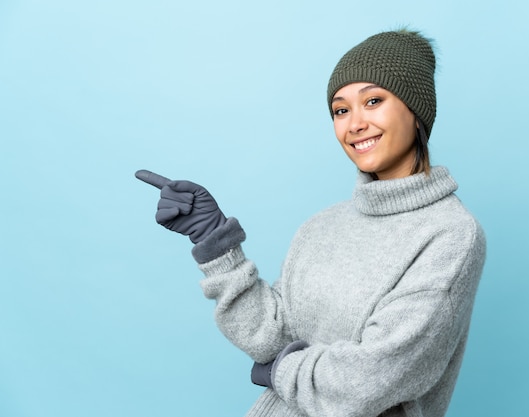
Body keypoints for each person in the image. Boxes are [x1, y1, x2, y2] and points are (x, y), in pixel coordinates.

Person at [136, 29, 486, 417]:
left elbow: (368, 382)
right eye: (341, 110)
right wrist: (215, 241)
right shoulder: (322, 226)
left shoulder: (450, 234)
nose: (354, 124)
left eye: (373, 101)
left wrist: (280, 369)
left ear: (416, 111)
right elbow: (271, 336)